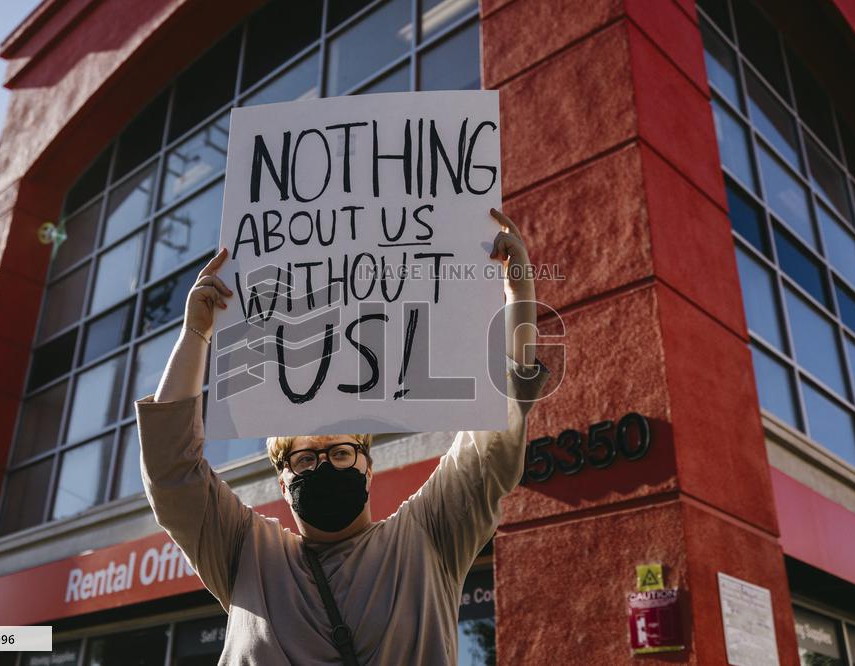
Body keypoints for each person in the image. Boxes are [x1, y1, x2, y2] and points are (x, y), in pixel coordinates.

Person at [135, 208, 552, 664]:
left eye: (339, 452)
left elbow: (494, 435)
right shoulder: (245, 553)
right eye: (304, 459)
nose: (323, 465)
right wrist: (195, 333)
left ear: (368, 468)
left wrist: (518, 295)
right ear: (282, 483)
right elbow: (170, 471)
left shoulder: (428, 535)